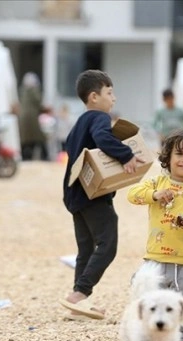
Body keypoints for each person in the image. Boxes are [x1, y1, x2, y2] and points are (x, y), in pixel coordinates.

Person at [60, 69, 144, 320]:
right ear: (94, 97)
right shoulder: (98, 117)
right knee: (108, 244)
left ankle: (79, 303)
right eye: (110, 92)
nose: (114, 98)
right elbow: (102, 138)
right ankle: (81, 293)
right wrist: (126, 154)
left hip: (74, 194)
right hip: (92, 195)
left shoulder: (79, 123)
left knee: (85, 249)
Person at [126, 129, 183, 341]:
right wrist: (155, 195)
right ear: (168, 157)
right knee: (150, 300)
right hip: (156, 258)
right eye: (180, 154)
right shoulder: (157, 182)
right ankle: (148, 340)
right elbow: (133, 194)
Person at [18, 72, 48, 161]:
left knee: (25, 140)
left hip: (23, 117)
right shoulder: (34, 91)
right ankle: (44, 156)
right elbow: (38, 101)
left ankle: (25, 156)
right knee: (39, 138)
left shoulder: (22, 91)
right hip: (32, 118)